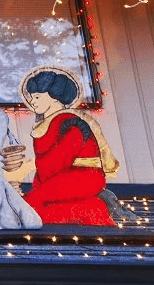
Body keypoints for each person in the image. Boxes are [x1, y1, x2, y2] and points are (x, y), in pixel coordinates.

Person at [17, 66, 119, 226]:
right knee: (30, 207)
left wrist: (26, 168)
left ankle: (93, 210)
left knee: (27, 206)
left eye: (37, 97)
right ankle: (91, 210)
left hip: (83, 177)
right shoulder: (44, 126)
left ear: (54, 98)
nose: (32, 102)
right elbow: (46, 168)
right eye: (31, 97)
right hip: (59, 179)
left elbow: (58, 160)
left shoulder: (70, 123)